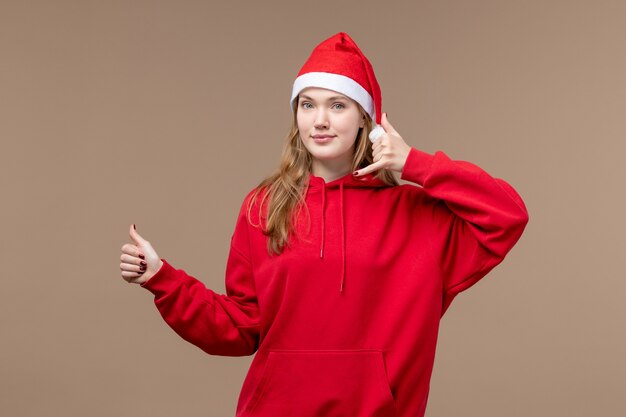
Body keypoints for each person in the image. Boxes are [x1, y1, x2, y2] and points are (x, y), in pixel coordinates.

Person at [119, 32, 529, 417]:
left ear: (365, 118)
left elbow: (507, 214)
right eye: (308, 104)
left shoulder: (417, 215)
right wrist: (162, 279)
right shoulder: (264, 207)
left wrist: (414, 164)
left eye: (337, 105)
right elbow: (240, 327)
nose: (320, 120)